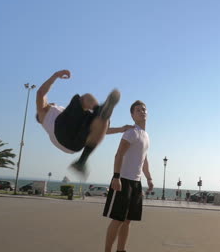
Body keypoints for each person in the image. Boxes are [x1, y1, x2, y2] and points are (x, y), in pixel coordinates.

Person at [36, 70, 133, 175]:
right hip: (61, 133)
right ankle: (98, 111)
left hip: (74, 144)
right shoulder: (43, 111)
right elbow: (40, 93)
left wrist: (120, 129)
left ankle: (81, 161)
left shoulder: (66, 116)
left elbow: (101, 131)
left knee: (101, 122)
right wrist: (55, 76)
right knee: (85, 98)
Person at [103, 100, 153, 252]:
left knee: (127, 220)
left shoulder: (146, 136)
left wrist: (149, 178)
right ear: (132, 115)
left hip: (135, 183)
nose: (142, 111)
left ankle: (121, 249)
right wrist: (116, 177)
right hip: (123, 180)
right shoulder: (131, 132)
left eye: (144, 109)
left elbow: (144, 159)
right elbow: (119, 154)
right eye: (138, 110)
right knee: (118, 219)